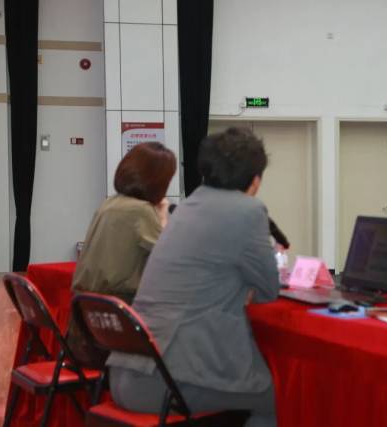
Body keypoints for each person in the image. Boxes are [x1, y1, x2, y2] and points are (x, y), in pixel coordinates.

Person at [107, 128, 279, 426]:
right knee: (268, 397)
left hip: (127, 371)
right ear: (255, 181)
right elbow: (268, 290)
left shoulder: (186, 207)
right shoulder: (249, 210)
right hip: (168, 382)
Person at [68, 142, 176, 364]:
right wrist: (164, 217)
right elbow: (170, 260)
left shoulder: (109, 204)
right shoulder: (141, 211)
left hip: (84, 330)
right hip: (116, 335)